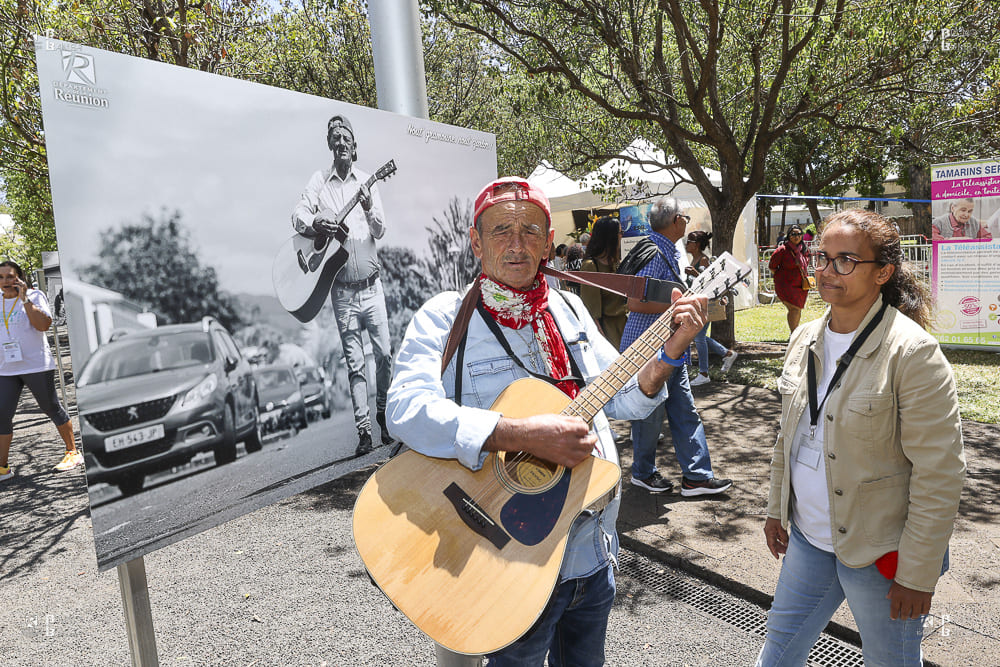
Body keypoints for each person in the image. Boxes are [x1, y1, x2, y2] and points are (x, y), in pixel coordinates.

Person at [386, 177, 707, 665]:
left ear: (547, 243)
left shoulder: (570, 309)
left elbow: (623, 398)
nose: (517, 245)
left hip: (590, 548)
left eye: (531, 231)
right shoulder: (444, 318)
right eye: (501, 231)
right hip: (506, 559)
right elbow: (405, 409)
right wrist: (521, 434)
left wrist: (668, 356)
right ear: (475, 241)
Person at [757, 210, 965, 666]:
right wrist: (777, 508)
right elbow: (787, 436)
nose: (827, 271)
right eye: (822, 257)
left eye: (845, 260)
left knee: (889, 660)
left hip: (880, 551)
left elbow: (940, 474)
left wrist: (917, 573)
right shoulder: (804, 339)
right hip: (810, 540)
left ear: (883, 272)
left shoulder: (912, 353)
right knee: (778, 652)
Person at [292, 114, 393, 455]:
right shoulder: (319, 182)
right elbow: (298, 215)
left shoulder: (368, 181)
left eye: (345, 138)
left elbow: (379, 230)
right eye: (334, 138)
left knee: (385, 356)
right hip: (342, 292)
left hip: (372, 287)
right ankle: (364, 431)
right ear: (330, 147)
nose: (340, 143)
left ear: (354, 146)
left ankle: (382, 414)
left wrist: (367, 208)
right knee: (355, 364)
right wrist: (316, 222)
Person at [621, 197, 733, 497]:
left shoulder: (666, 248)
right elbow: (635, 301)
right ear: (675, 221)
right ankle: (643, 473)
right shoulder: (655, 251)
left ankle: (696, 476)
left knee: (684, 410)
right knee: (650, 414)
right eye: (684, 216)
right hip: (650, 347)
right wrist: (683, 305)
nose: (687, 221)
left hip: (670, 346)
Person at [0, 260, 82, 481]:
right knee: (2, 415)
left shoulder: (34, 297)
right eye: (1, 277)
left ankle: (72, 452)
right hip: (7, 369)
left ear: (20, 278)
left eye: (10, 276)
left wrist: (24, 298)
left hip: (36, 365)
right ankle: (2, 468)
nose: (5, 282)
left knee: (50, 407)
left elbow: (43, 325)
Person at [684, 230, 738, 386]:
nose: (687, 244)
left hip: (706, 304)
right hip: (697, 304)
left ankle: (704, 373)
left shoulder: (703, 261)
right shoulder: (694, 260)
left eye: (690, 241)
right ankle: (727, 353)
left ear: (698, 245)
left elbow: (711, 283)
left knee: (699, 337)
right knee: (698, 337)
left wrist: (694, 273)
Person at [579, 216, 628, 351]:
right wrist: (602, 343)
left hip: (625, 327)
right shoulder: (591, 266)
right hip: (608, 332)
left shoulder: (616, 263)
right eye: (620, 232)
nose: (622, 236)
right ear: (610, 236)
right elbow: (591, 313)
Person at [768, 225, 811, 334]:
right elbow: (772, 266)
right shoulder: (782, 250)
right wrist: (783, 277)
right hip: (786, 285)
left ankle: (795, 333)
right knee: (794, 309)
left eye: (799, 234)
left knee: (798, 309)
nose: (796, 237)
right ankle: (794, 334)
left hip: (801, 286)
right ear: (789, 236)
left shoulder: (804, 250)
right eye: (793, 234)